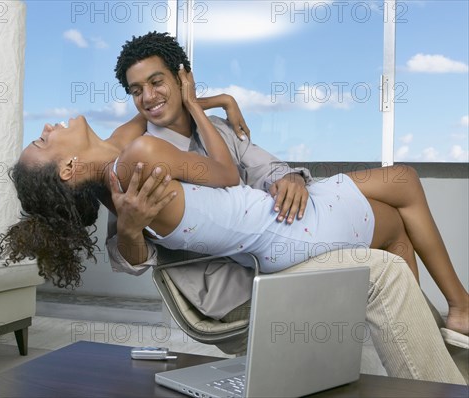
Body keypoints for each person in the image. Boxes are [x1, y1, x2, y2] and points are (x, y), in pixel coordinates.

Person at [107, 32, 468, 341]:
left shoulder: (216, 129)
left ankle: (430, 332)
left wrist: (289, 177)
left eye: (157, 82)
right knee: (393, 221)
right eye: (137, 90)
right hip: (233, 279)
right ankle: (447, 319)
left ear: (183, 79)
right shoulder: (139, 156)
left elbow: (266, 165)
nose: (148, 97)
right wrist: (129, 226)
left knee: (399, 203)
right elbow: (127, 261)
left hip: (277, 231)